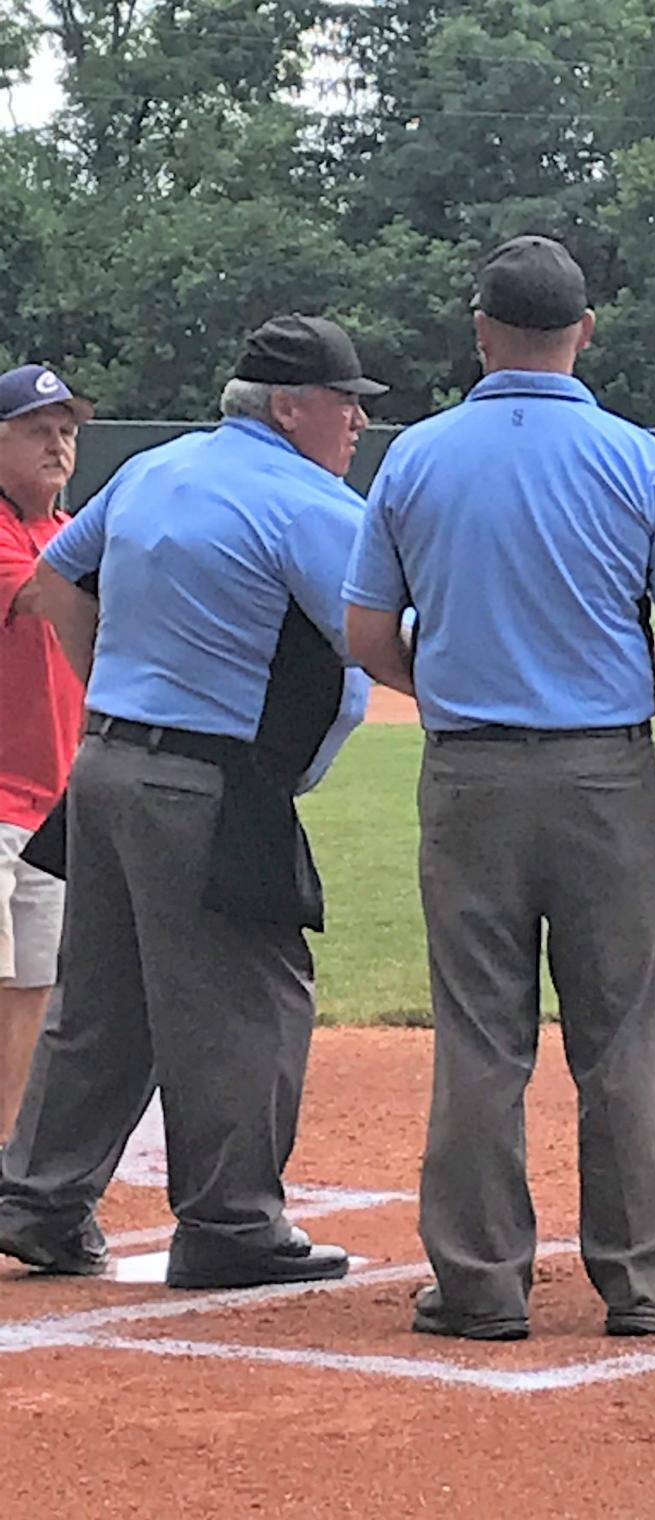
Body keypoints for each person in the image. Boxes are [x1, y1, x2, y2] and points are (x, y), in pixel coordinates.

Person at [344, 235, 655, 1341]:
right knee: (625, 1032)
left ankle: (479, 1282)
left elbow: (367, 632)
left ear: (480, 332)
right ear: (585, 330)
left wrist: (443, 678)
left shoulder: (415, 457)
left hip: (469, 769)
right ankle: (646, 1280)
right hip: (605, 773)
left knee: (481, 1033)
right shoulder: (639, 458)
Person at [0, 314, 381, 1289]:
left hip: (107, 768)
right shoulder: (308, 501)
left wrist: (107, 698)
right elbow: (375, 641)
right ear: (292, 408)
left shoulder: (155, 469)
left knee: (103, 1001)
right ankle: (229, 1223)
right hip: (206, 780)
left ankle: (39, 1200)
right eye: (346, 406)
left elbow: (52, 581)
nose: (356, 428)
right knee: (253, 995)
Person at [0, 366, 92, 1152]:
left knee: (31, 984)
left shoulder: (65, 535)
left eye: (66, 430)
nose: (59, 444)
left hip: (49, 802)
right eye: (38, 429)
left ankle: (4, 1155)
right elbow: (40, 596)